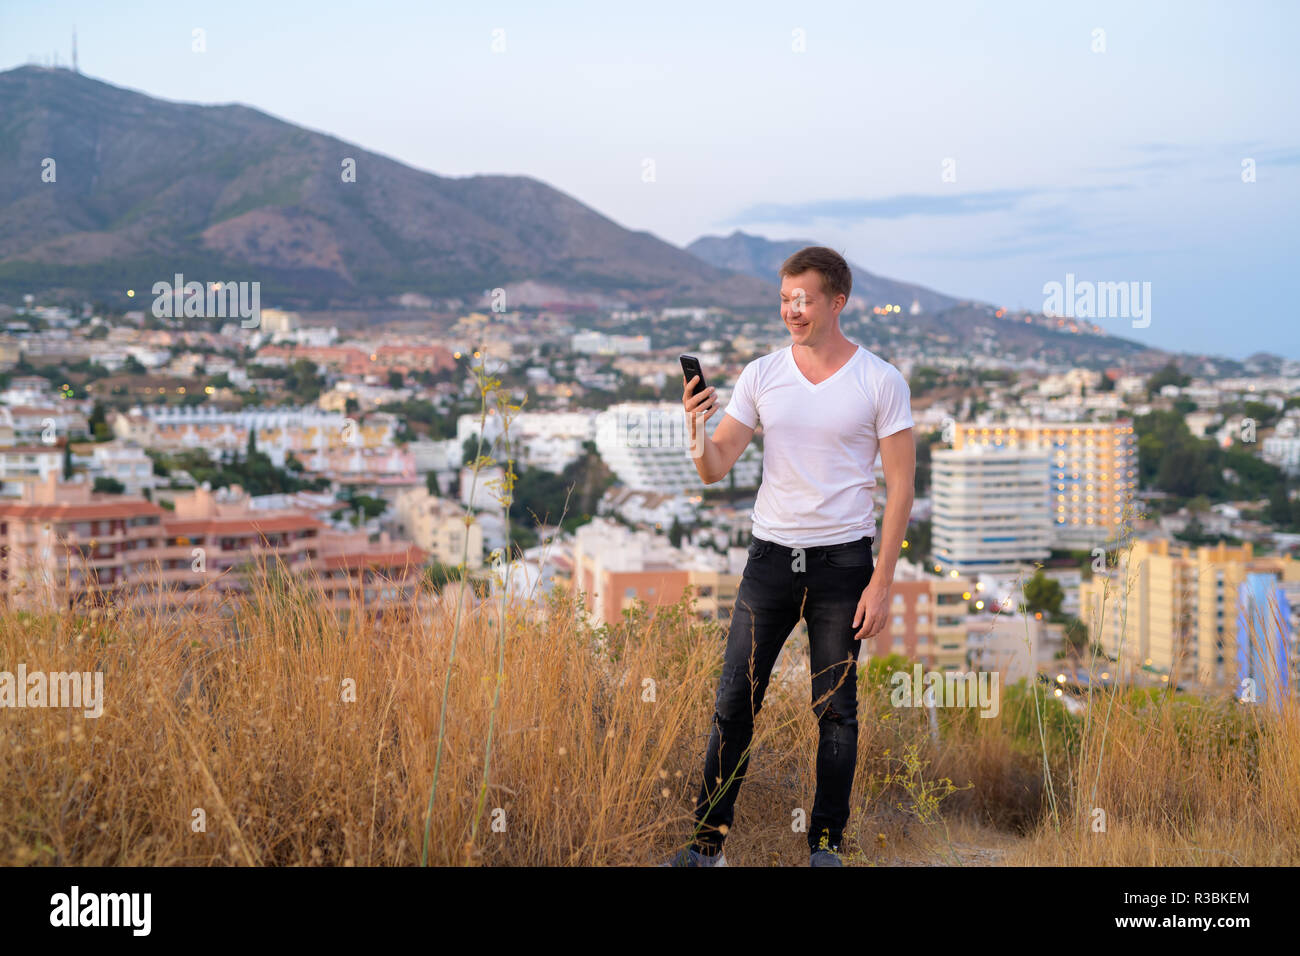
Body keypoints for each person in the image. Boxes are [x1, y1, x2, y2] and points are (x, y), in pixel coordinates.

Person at [662, 246, 915, 867]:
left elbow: (903, 488)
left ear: (837, 302)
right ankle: (706, 851)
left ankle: (824, 848)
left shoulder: (880, 380)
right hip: (770, 562)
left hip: (843, 568)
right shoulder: (761, 375)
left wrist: (882, 581)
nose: (791, 310)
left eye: (803, 299)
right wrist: (695, 426)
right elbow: (713, 468)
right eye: (784, 299)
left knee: (836, 713)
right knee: (733, 706)